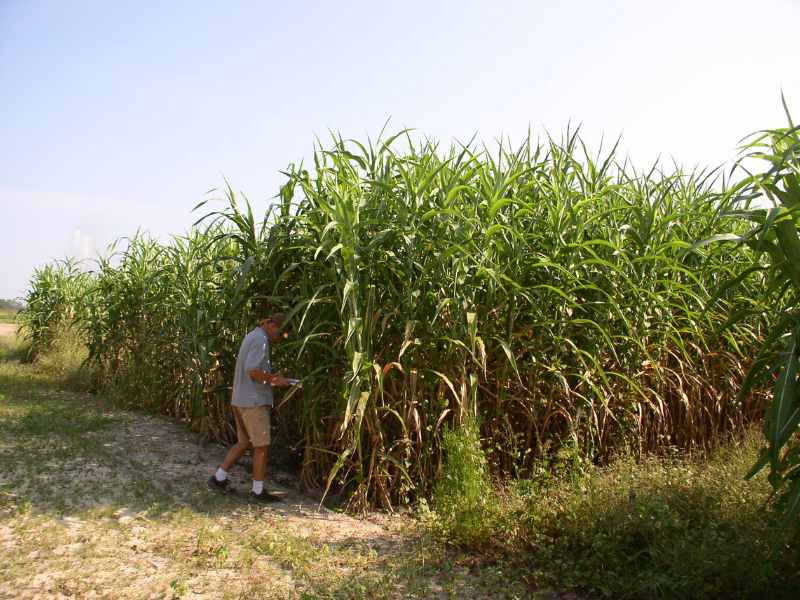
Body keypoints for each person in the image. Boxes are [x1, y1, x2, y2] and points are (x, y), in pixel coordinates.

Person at [207, 313, 292, 503]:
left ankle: (218, 478)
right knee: (262, 445)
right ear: (272, 327)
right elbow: (252, 369)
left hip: (241, 398)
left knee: (244, 441)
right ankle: (257, 491)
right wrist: (274, 379)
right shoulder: (260, 340)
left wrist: (273, 379)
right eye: (280, 335)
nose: (279, 339)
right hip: (252, 401)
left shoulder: (252, 336)